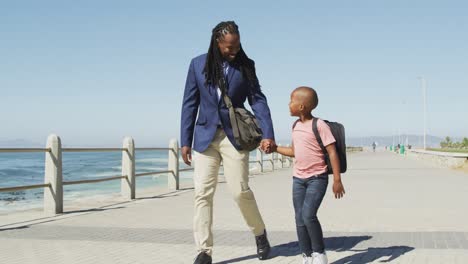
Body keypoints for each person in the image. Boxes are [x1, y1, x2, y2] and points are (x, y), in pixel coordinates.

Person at [180, 21, 276, 264]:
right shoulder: (197, 64)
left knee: (239, 191)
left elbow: (258, 100)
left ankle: (260, 233)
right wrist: (185, 140)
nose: (234, 51)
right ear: (217, 42)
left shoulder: (246, 65)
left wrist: (268, 134)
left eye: (237, 45)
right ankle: (204, 250)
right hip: (205, 138)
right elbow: (190, 103)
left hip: (234, 137)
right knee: (202, 193)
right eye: (228, 47)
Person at [270, 86, 345, 264]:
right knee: (299, 217)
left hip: (317, 178)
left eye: (291, 101)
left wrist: (337, 179)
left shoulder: (319, 125)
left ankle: (319, 253)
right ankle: (307, 255)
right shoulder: (295, 125)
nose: (289, 104)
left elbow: (332, 152)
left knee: (308, 215)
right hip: (298, 179)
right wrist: (275, 148)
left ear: (302, 106)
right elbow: (294, 151)